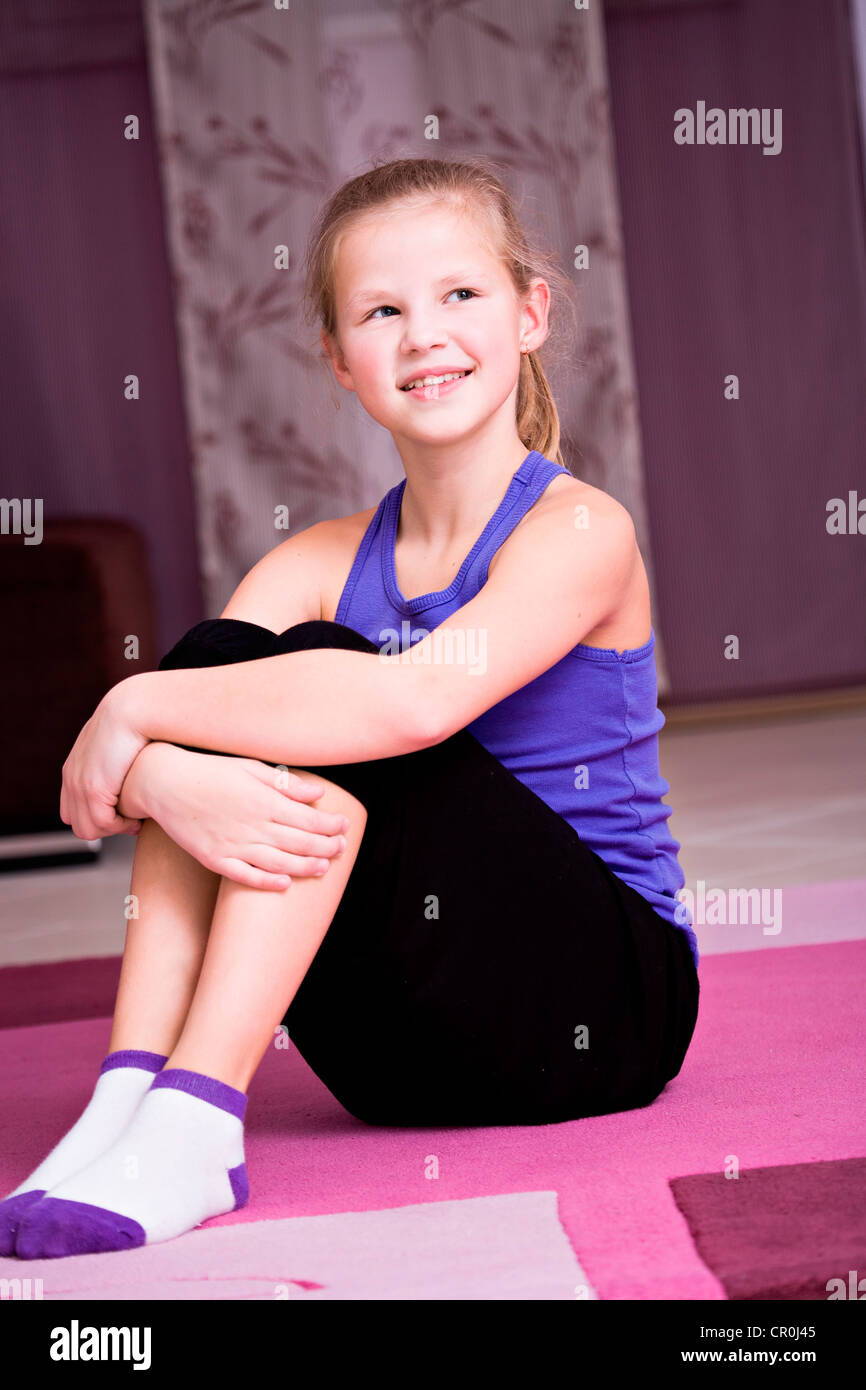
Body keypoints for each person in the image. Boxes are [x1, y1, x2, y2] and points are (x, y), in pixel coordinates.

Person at [3, 156, 699, 1260]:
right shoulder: (316, 556)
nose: (424, 333)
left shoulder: (579, 531)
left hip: (596, 1014)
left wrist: (128, 712)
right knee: (233, 659)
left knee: (314, 673)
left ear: (528, 314)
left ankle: (195, 1114)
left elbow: (412, 702)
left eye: (460, 295)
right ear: (338, 358)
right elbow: (208, 717)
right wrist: (166, 761)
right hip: (391, 1056)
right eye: (382, 310)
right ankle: (133, 1089)